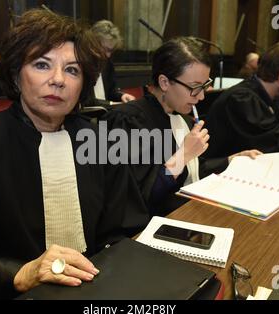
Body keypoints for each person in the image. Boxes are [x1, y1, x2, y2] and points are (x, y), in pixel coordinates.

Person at [0, 9, 149, 299]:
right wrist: (19, 274)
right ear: (16, 75)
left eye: (72, 70)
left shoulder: (99, 143)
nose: (58, 79)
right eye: (42, 64)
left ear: (83, 85)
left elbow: (123, 227)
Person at [102, 37, 261, 216]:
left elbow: (191, 171)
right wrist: (183, 154)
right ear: (164, 82)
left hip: (185, 214)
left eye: (205, 85)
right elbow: (139, 198)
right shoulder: (127, 120)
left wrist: (232, 160)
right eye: (194, 87)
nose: (201, 97)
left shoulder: (180, 118)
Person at [88, 20, 135, 105]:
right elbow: (86, 100)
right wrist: (110, 104)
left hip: (103, 115)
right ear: (93, 43)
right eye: (106, 49)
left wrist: (122, 96)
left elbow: (111, 92)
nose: (108, 55)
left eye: (111, 51)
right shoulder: (81, 63)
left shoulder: (107, 63)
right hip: (85, 115)